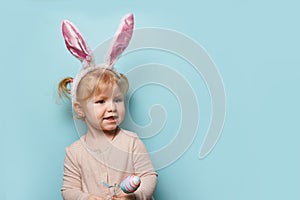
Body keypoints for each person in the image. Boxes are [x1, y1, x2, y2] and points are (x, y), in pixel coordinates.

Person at [58, 14, 157, 200]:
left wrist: (136, 195)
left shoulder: (132, 142)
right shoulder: (74, 152)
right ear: (80, 109)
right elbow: (68, 190)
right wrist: (85, 198)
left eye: (117, 100)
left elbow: (149, 177)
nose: (112, 107)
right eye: (101, 101)